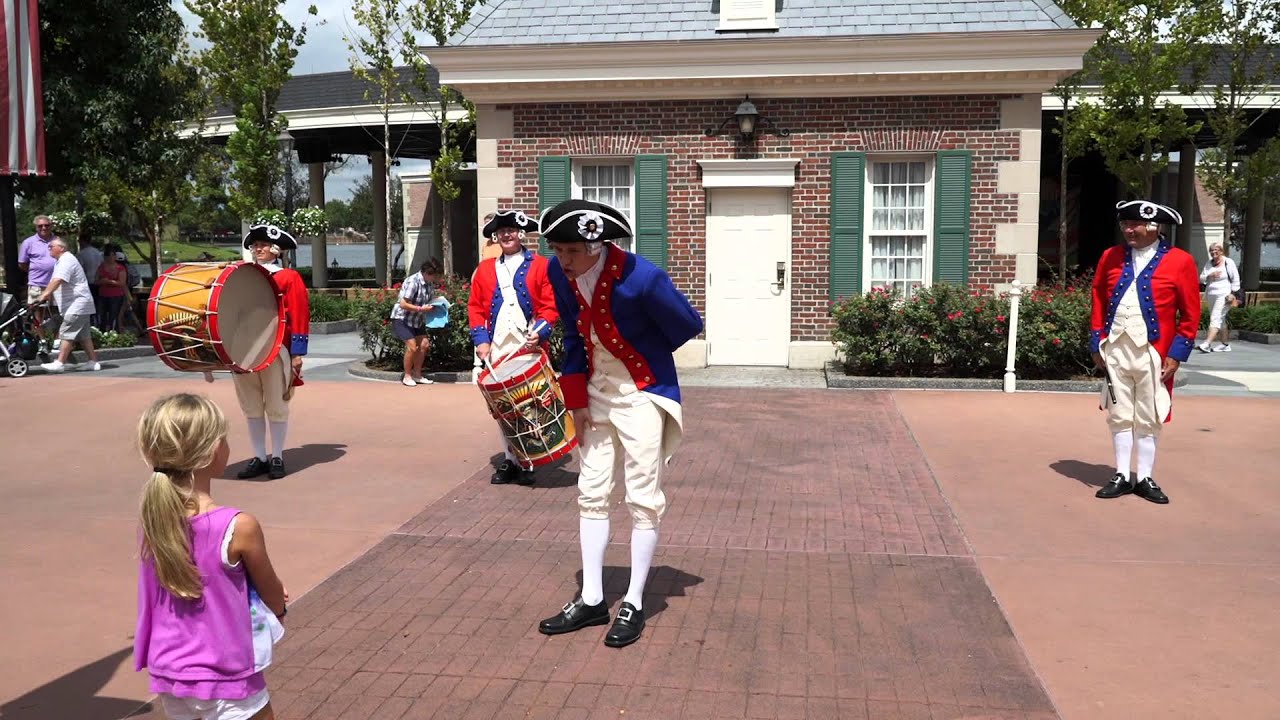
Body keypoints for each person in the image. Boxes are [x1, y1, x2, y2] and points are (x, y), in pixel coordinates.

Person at [535, 199, 703, 647]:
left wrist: (642, 348)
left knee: (642, 496)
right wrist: (575, 397)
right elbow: (573, 334)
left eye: (571, 250)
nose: (562, 260)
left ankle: (633, 599)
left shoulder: (643, 278)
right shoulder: (557, 273)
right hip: (594, 394)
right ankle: (591, 599)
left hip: (643, 393)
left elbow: (687, 325)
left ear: (597, 243)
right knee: (591, 492)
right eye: (556, 249)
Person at [133, 393, 288, 720]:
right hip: (227, 673)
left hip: (172, 673)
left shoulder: (154, 519)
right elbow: (272, 592)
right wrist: (277, 606)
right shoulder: (237, 525)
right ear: (213, 451)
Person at [1090, 200, 1201, 504]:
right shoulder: (1109, 257)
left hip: (1155, 352)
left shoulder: (1181, 261)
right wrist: (1096, 342)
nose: (1128, 230)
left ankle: (1145, 476)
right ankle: (1122, 474)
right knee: (1118, 412)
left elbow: (1191, 314)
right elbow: (1098, 298)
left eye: (1135, 224)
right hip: (1114, 349)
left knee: (1150, 414)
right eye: (1124, 224)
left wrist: (1177, 353)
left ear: (1154, 227)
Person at [468, 209, 559, 485]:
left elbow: (550, 306)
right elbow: (475, 308)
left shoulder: (542, 265)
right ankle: (510, 460)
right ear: (496, 237)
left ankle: (530, 458)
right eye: (501, 231)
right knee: (503, 406)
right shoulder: (484, 269)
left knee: (531, 403)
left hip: (527, 345)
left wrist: (539, 332)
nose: (506, 235)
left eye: (511, 230)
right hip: (497, 347)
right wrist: (481, 342)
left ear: (520, 233)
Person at [214, 224, 310, 480]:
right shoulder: (240, 275)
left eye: (264, 245)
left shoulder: (288, 277)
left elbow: (299, 313)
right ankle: (259, 456)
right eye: (255, 245)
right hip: (242, 350)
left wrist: (298, 351)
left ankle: (277, 455)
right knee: (251, 406)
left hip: (275, 349)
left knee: (277, 404)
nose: (258, 249)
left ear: (276, 250)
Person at [34, 238, 101, 373]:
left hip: (77, 304)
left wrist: (45, 294)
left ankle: (59, 363)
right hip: (78, 303)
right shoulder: (62, 261)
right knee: (84, 335)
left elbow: (58, 279)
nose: (49, 248)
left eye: (51, 246)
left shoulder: (66, 260)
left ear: (62, 248)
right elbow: (55, 280)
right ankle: (93, 362)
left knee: (66, 332)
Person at [390, 258, 443, 387]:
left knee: (424, 344)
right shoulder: (413, 282)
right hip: (402, 318)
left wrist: (438, 303)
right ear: (427, 273)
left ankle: (417, 374)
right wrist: (421, 308)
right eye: (434, 275)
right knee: (412, 346)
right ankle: (407, 376)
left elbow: (428, 300)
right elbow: (403, 304)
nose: (436, 278)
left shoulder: (429, 284)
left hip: (417, 319)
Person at [18, 215, 56, 343]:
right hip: (36, 283)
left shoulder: (57, 241)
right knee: (36, 313)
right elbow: (22, 263)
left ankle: (57, 340)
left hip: (56, 283)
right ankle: (42, 341)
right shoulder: (28, 242)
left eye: (46, 225)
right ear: (36, 227)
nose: (44, 228)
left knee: (57, 313)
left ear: (51, 226)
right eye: (40, 226)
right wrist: (35, 271)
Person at [1198, 242, 1240, 353]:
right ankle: (1225, 345)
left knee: (1215, 318)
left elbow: (1235, 279)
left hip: (1224, 295)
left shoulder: (1228, 262)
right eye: (1211, 250)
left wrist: (1233, 293)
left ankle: (1207, 343)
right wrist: (1209, 275)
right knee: (1220, 320)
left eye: (1216, 250)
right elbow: (1201, 278)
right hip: (1211, 294)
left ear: (1221, 251)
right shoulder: (1209, 263)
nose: (1213, 252)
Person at [97, 247, 129, 332]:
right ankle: (102, 331)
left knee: (114, 315)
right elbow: (96, 280)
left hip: (116, 295)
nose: (110, 258)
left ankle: (113, 331)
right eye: (108, 256)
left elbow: (122, 282)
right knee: (102, 315)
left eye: (112, 256)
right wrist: (102, 281)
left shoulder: (120, 268)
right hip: (103, 294)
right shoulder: (101, 267)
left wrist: (109, 281)